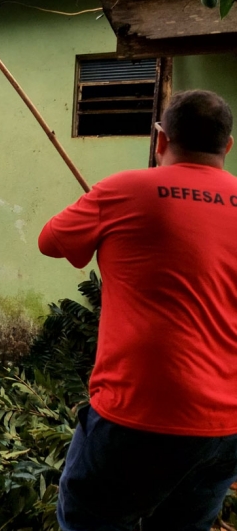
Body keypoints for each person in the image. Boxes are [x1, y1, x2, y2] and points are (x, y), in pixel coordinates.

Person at [39, 90, 237, 531]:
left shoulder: (124, 190)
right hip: (227, 427)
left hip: (138, 417)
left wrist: (108, 222)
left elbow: (50, 241)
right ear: (227, 145)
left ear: (161, 139)